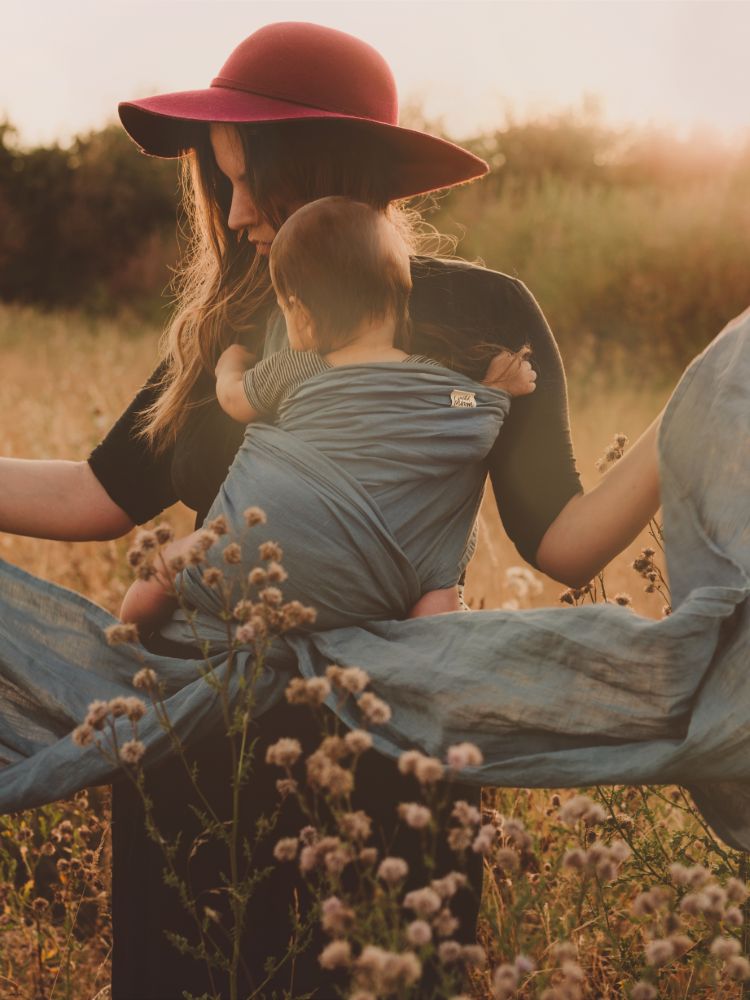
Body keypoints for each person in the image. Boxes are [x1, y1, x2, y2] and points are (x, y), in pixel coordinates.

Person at [0, 21, 677, 1000]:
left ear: (329, 166)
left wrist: (694, 414)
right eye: (218, 181)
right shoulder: (238, 321)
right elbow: (97, 494)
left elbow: (562, 541)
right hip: (197, 760)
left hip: (389, 765)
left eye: (251, 179)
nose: (232, 215)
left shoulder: (482, 315)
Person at [119, 195, 537, 636]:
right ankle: (428, 654)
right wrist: (492, 389)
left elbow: (236, 401)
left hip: (271, 557)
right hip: (392, 583)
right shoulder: (431, 381)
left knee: (164, 569)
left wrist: (228, 367)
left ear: (301, 316)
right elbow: (462, 407)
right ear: (400, 298)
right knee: (439, 589)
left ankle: (124, 648)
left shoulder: (297, 369)